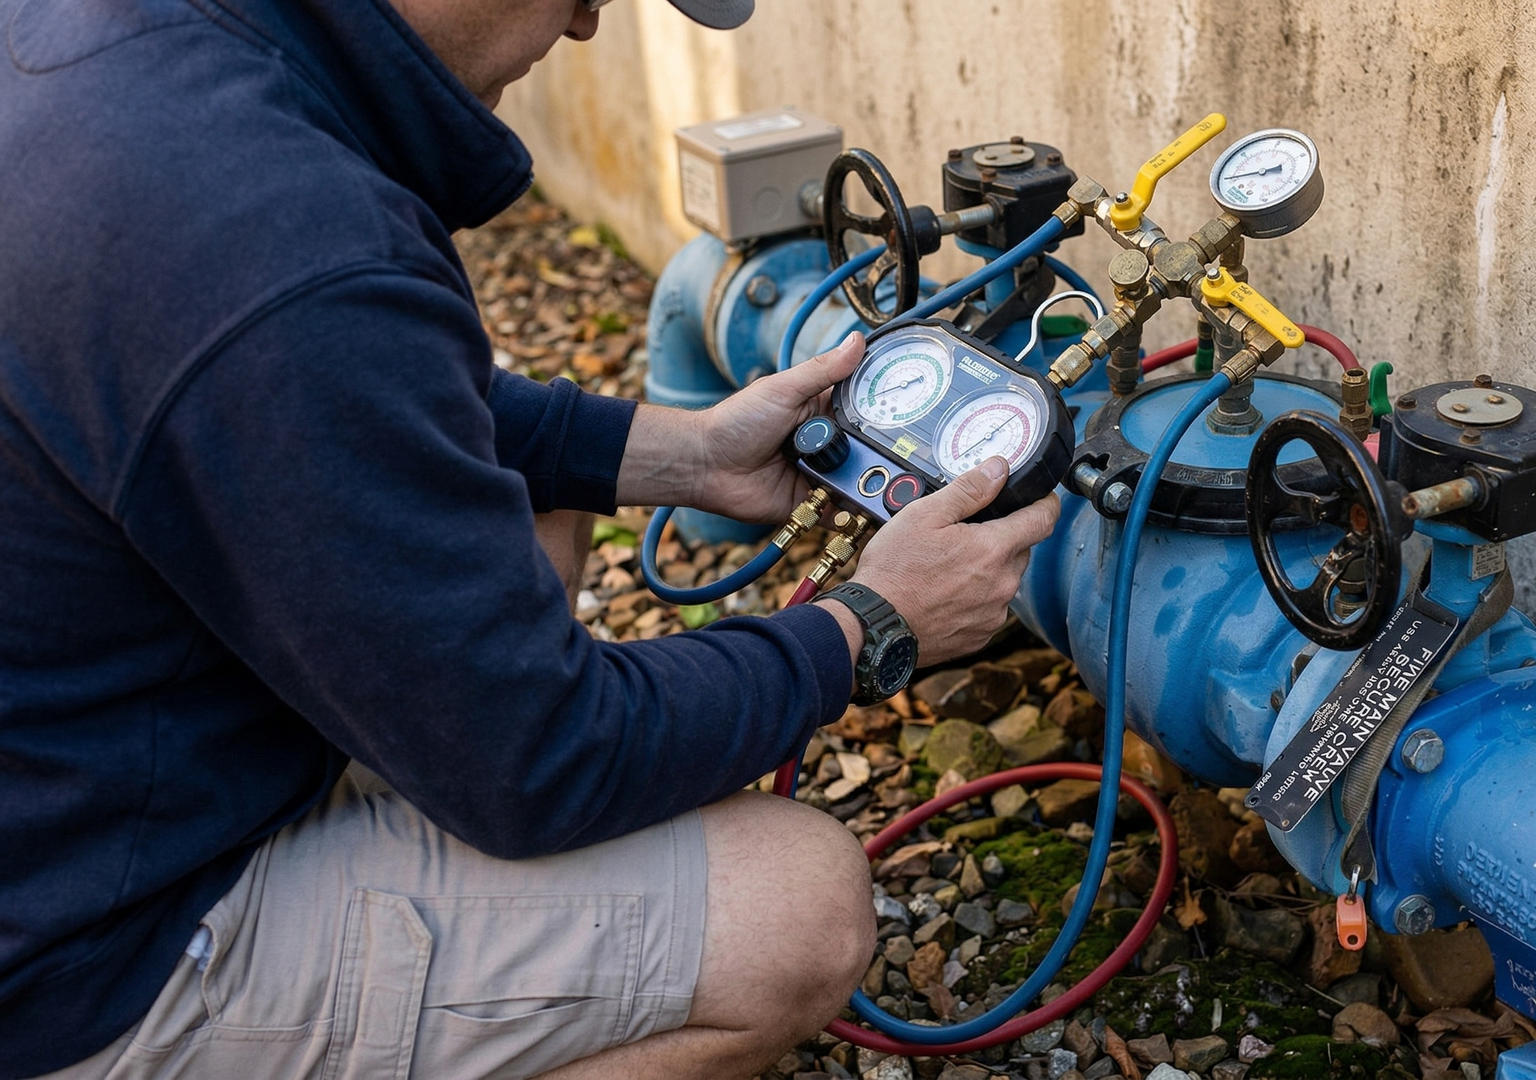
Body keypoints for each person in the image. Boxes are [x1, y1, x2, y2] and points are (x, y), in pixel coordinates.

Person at [0, 0, 1060, 1076]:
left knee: (543, 510)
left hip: (68, 797)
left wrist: (685, 455)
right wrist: (867, 624)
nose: (594, 23)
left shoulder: (128, 56)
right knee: (794, 905)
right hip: (85, 963)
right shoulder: (283, 235)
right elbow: (540, 764)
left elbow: (327, 401)